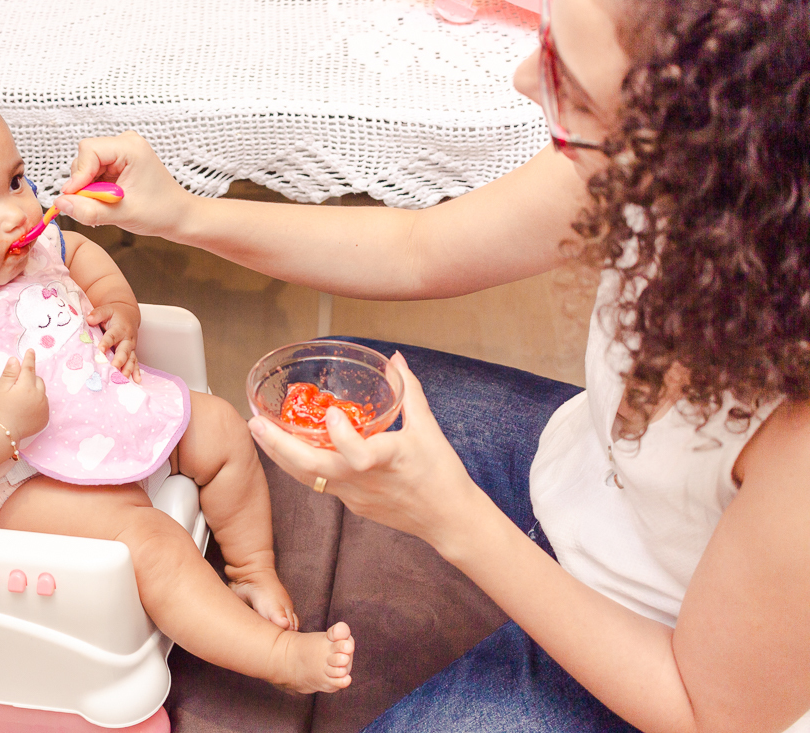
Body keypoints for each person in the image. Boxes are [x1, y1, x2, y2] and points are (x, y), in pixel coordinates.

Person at [51, 0, 810, 729]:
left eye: (570, 85)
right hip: (589, 481)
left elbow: (706, 713)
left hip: (666, 657)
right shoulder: (666, 174)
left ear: (703, 139)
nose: (524, 79)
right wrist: (183, 212)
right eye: (547, 43)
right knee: (328, 389)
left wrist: (454, 519)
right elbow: (422, 249)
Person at [0, 69, 355, 695]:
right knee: (147, 539)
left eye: (15, 180)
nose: (19, 211)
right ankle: (277, 657)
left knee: (222, 428)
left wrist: (118, 309)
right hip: (9, 483)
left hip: (94, 411)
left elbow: (81, 256)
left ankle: (252, 568)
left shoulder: (28, 248)